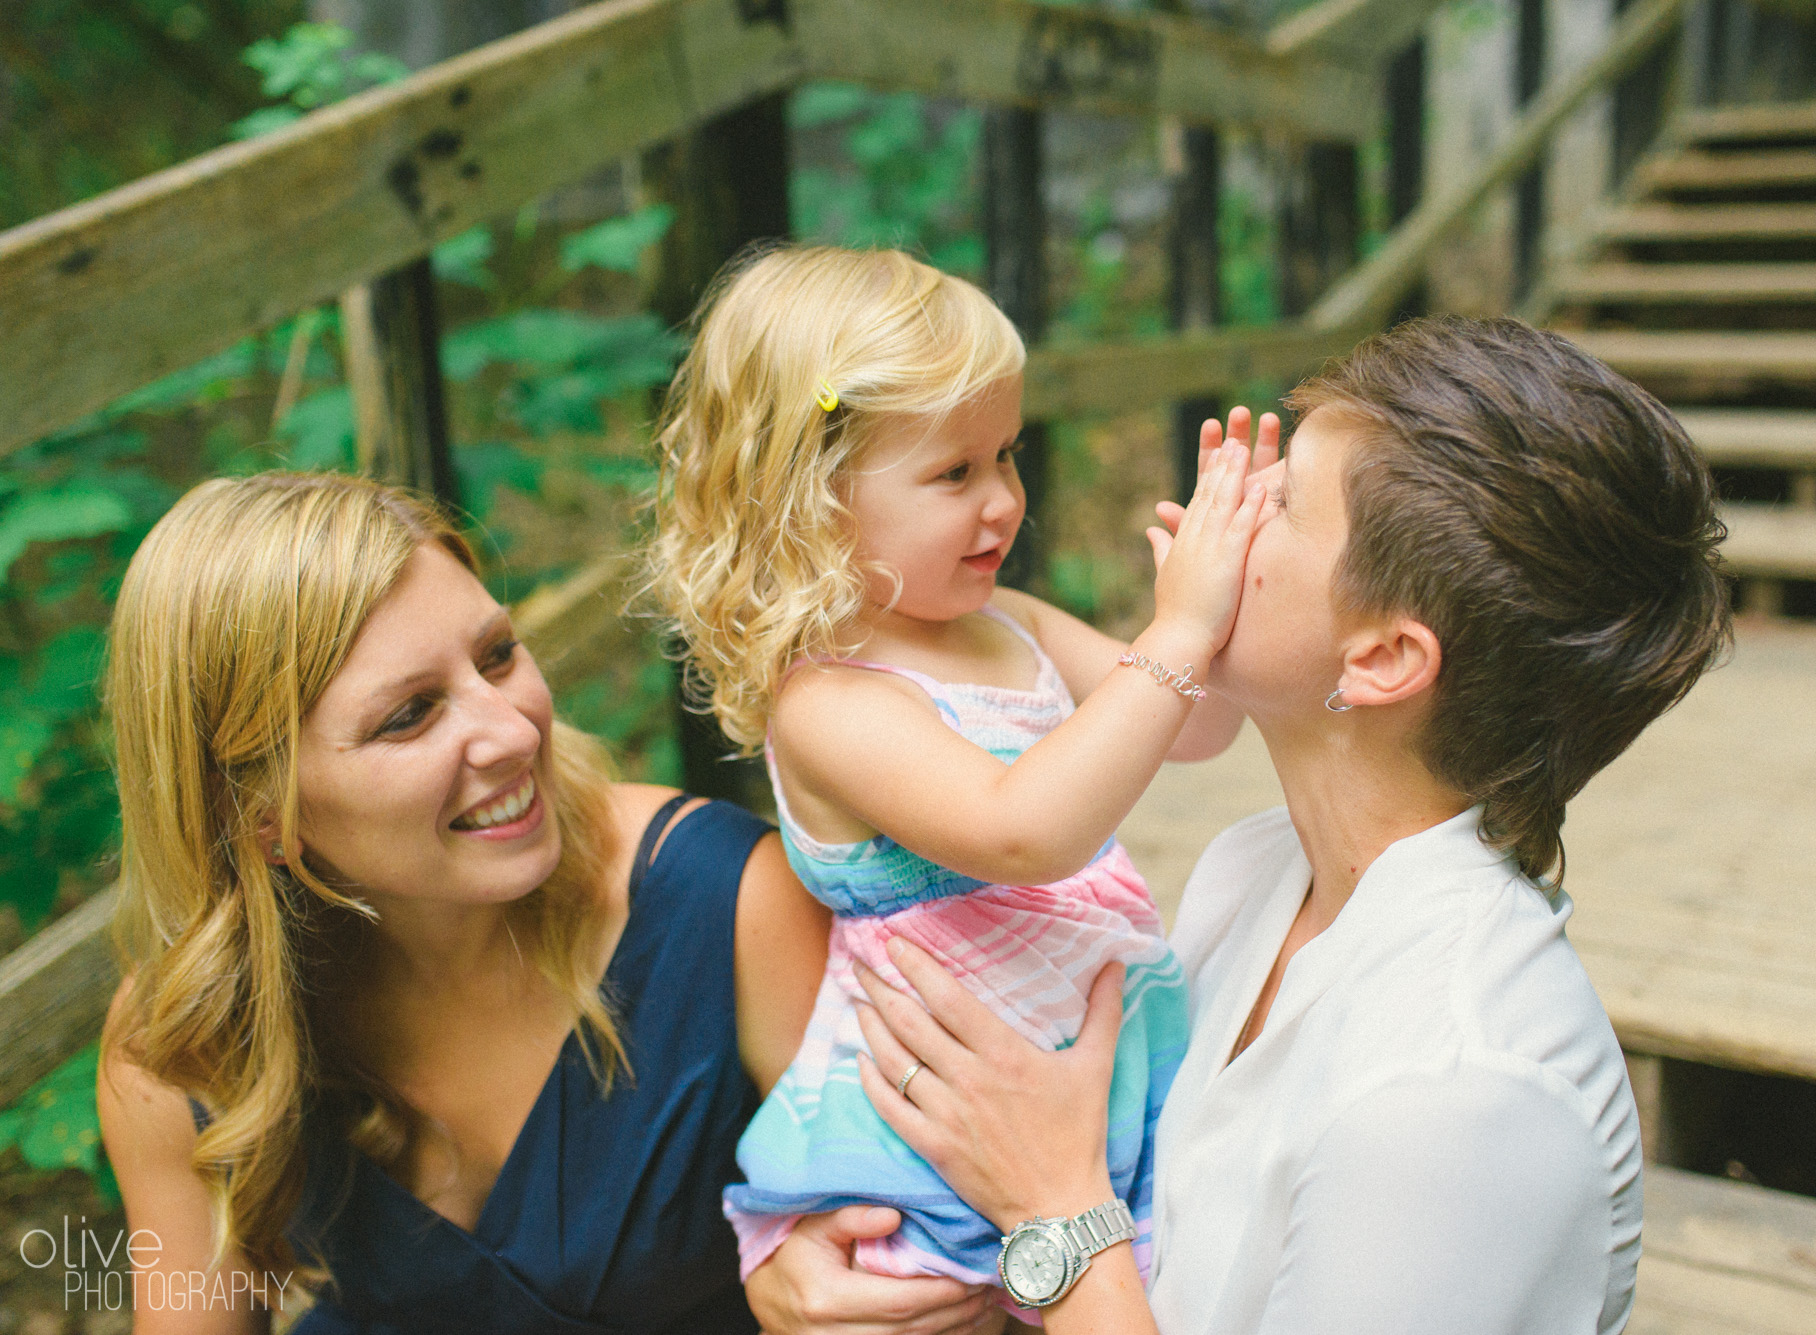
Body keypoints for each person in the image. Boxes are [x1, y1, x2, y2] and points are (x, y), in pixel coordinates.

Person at [762, 315, 1733, 1333]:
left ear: (1381, 660)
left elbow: (1071, 1206)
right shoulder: (1255, 872)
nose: (1218, 509)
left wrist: (1050, 1209)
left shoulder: (1452, 1094)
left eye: (1276, 502)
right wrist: (825, 1276)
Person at [95, 472, 996, 1335]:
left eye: (497, 655)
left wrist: (817, 1274)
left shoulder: (719, 901)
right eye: (409, 714)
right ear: (258, 816)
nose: (513, 728)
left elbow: (963, 1240)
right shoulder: (184, 1039)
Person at [646, 245, 1266, 1309]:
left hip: (1092, 1066)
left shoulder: (1006, 625)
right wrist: (1175, 630)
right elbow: (1025, 831)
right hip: (938, 1126)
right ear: (810, 494)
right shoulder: (830, 701)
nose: (1002, 503)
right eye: (953, 473)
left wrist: (1224, 612)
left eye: (1007, 457)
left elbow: (1192, 731)